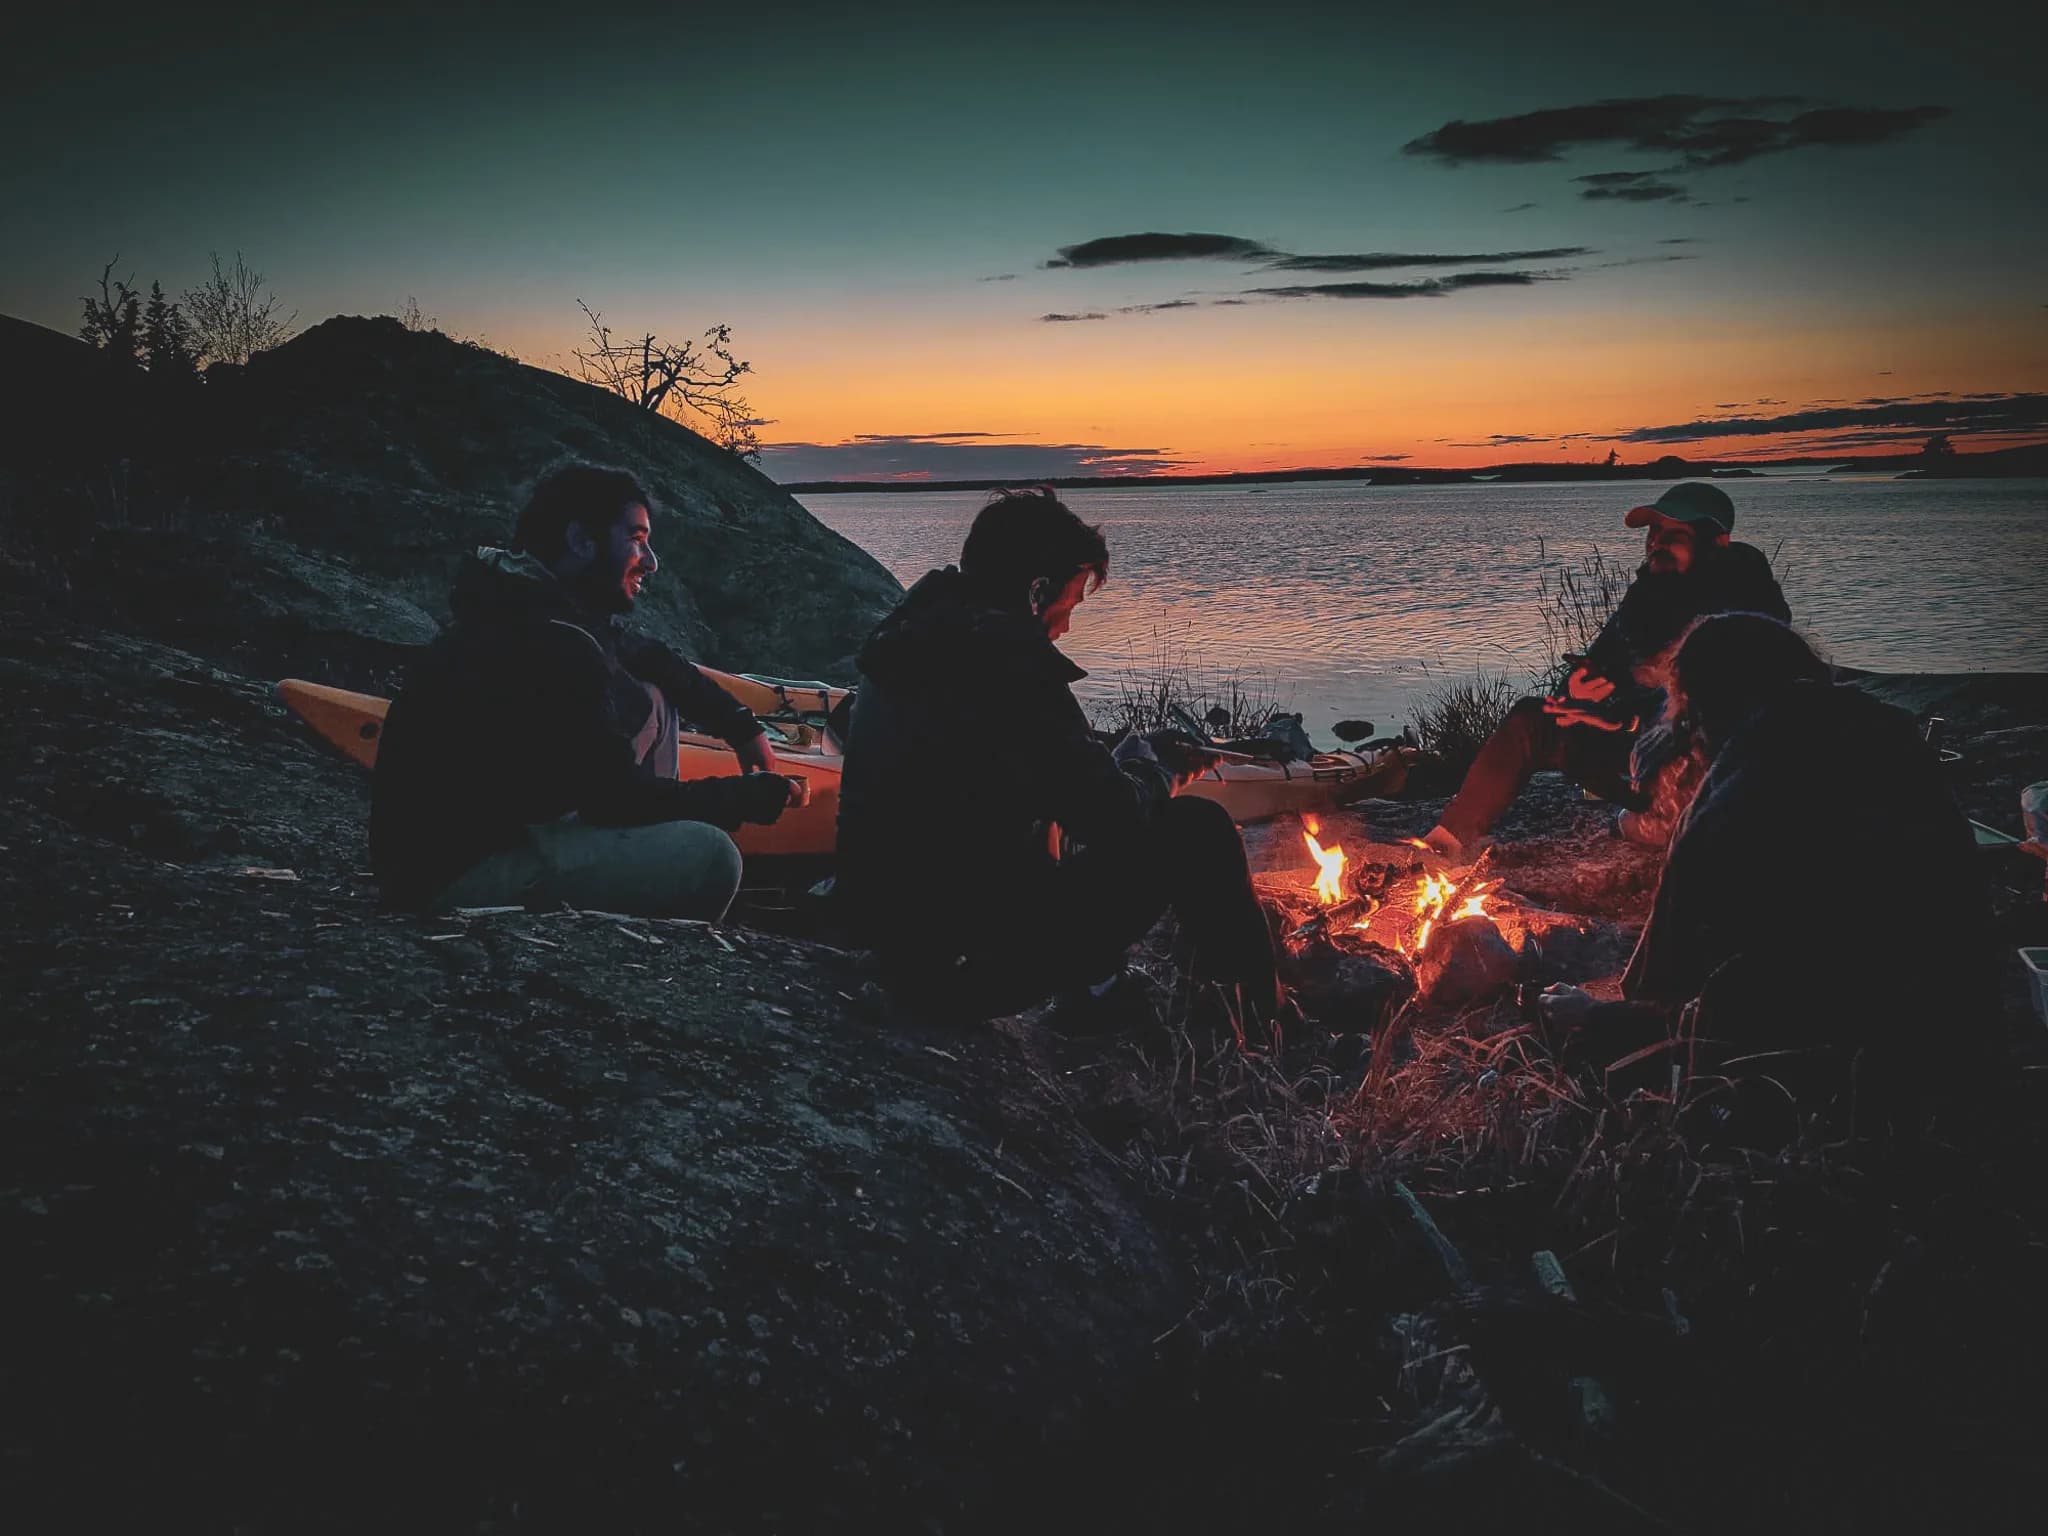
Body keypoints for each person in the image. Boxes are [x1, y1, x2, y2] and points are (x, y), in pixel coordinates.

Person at [834, 488, 1280, 1029]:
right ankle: (1260, 1029)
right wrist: (1158, 768)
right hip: (954, 964)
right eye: (1069, 604)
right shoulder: (1006, 665)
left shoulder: (913, 640)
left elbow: (1000, 778)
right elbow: (1112, 817)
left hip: (886, 933)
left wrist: (1108, 763)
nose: (1066, 626)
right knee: (1195, 828)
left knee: (1051, 839)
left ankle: (1097, 994)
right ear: (1036, 589)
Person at [1536, 613, 1993, 1129]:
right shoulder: (1883, 730)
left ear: (1698, 715)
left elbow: (1719, 1015)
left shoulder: (1732, 802)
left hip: (1863, 1081)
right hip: (1966, 1028)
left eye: (1677, 707)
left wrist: (1597, 1020)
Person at [370, 463, 797, 917]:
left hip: (495, 829)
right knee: (713, 856)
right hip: (456, 872)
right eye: (636, 540)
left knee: (653, 693)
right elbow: (615, 798)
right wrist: (743, 798)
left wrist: (740, 726)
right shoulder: (544, 643)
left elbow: (649, 656)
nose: (651, 562)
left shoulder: (532, 602)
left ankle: (632, 863)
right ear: (581, 541)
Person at [1422, 482, 1790, 859]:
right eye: (1654, 531)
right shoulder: (1649, 595)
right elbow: (1604, 663)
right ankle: (1444, 846)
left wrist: (1624, 713)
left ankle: (1660, 824)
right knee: (1532, 719)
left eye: (1675, 534)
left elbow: (1719, 709)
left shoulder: (1747, 607)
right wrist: (1580, 692)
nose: (1657, 543)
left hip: (1701, 765)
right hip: (1634, 744)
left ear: (1718, 542)